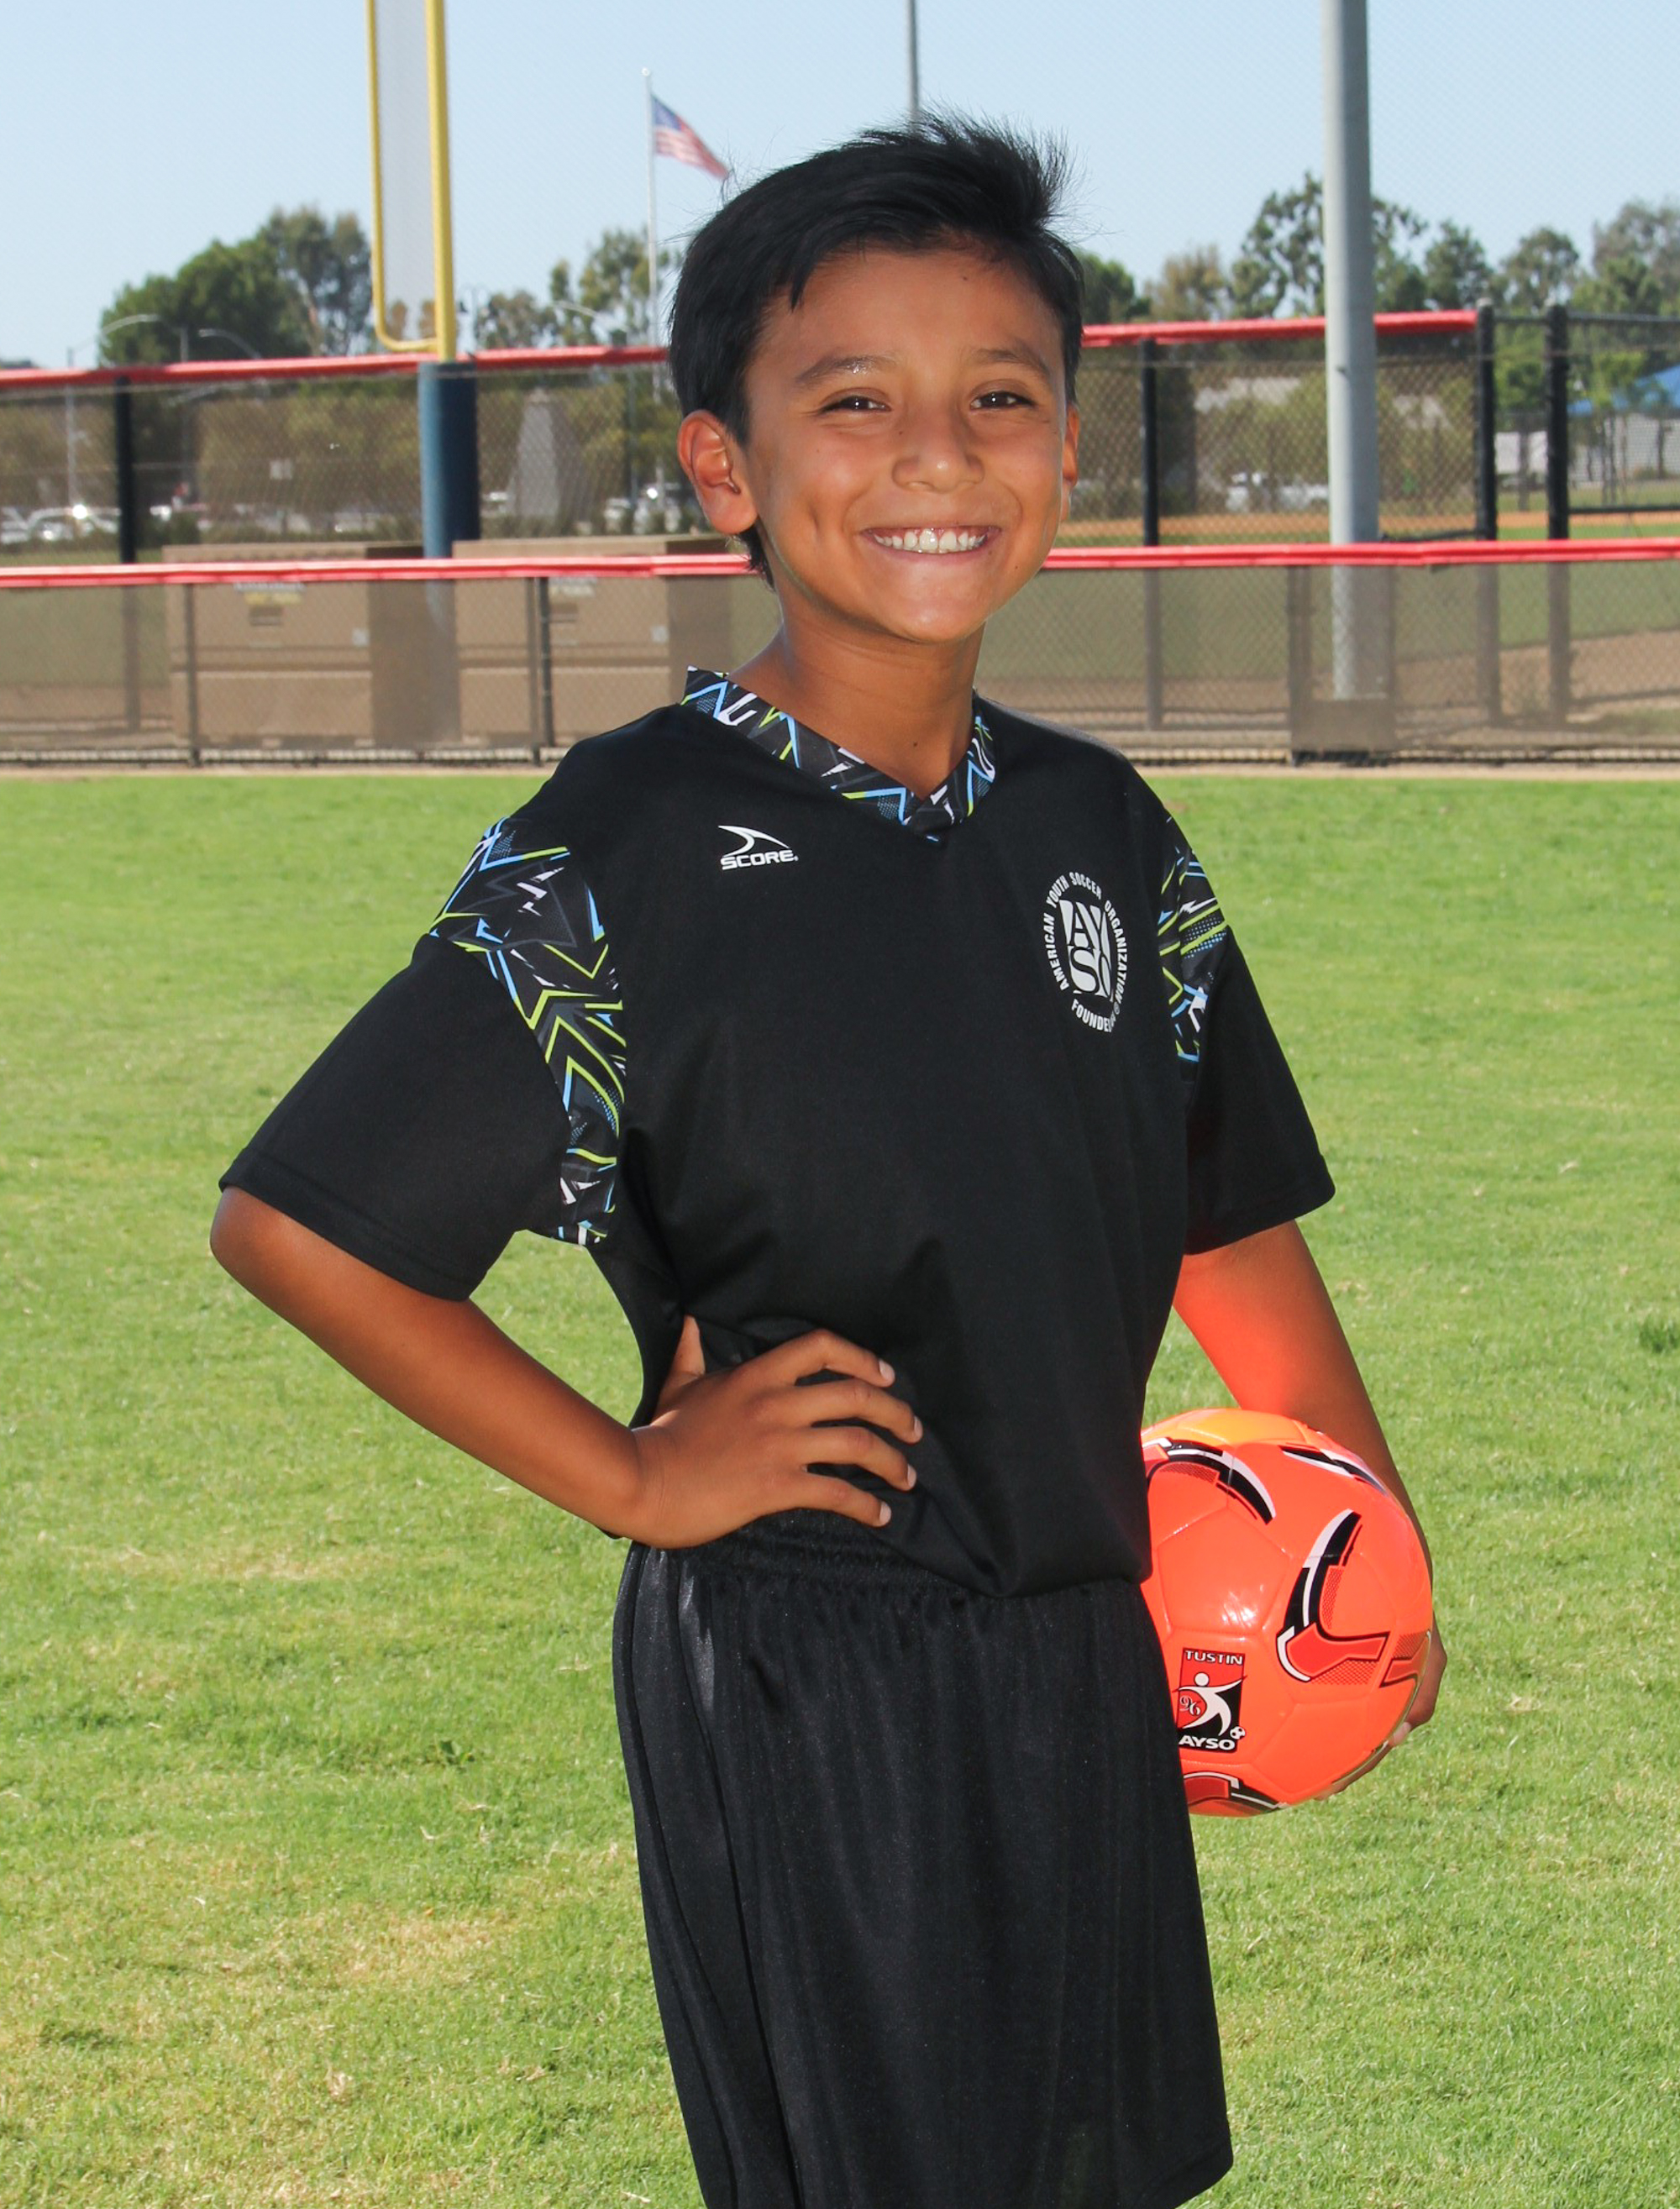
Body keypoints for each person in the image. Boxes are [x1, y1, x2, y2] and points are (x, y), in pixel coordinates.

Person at [212, 117, 1445, 2209]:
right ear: (726, 465)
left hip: (1085, 1636)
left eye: (998, 398)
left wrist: (1367, 1539)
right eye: (854, 401)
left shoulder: (1102, 831)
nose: (934, 455)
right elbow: (302, 1224)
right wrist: (634, 1476)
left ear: (1068, 451)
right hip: (816, 1667)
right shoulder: (627, 842)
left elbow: (1222, 1211)